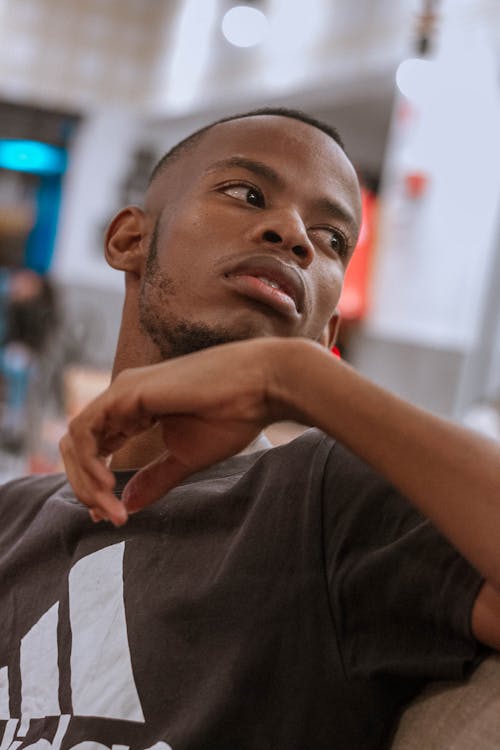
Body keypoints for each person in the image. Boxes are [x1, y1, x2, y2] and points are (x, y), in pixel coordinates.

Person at [1, 108, 499, 750]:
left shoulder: (323, 500)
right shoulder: (13, 516)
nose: (294, 234)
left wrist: (291, 377)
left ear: (325, 332)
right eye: (248, 194)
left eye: (332, 239)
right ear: (130, 240)